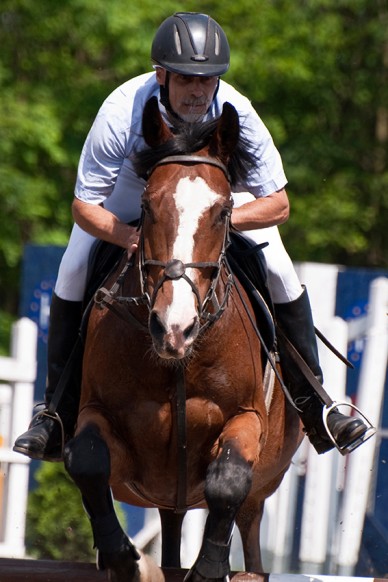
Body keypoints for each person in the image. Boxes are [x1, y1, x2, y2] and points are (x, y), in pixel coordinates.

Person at [14, 12, 373, 461]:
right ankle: (56, 413)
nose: (199, 92)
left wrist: (211, 224)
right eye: (186, 79)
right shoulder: (121, 110)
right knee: (72, 267)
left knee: (280, 269)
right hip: (135, 196)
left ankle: (318, 407)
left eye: (209, 80)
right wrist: (130, 235)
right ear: (160, 74)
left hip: (217, 201)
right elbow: (84, 206)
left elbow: (279, 204)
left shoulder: (236, 110)